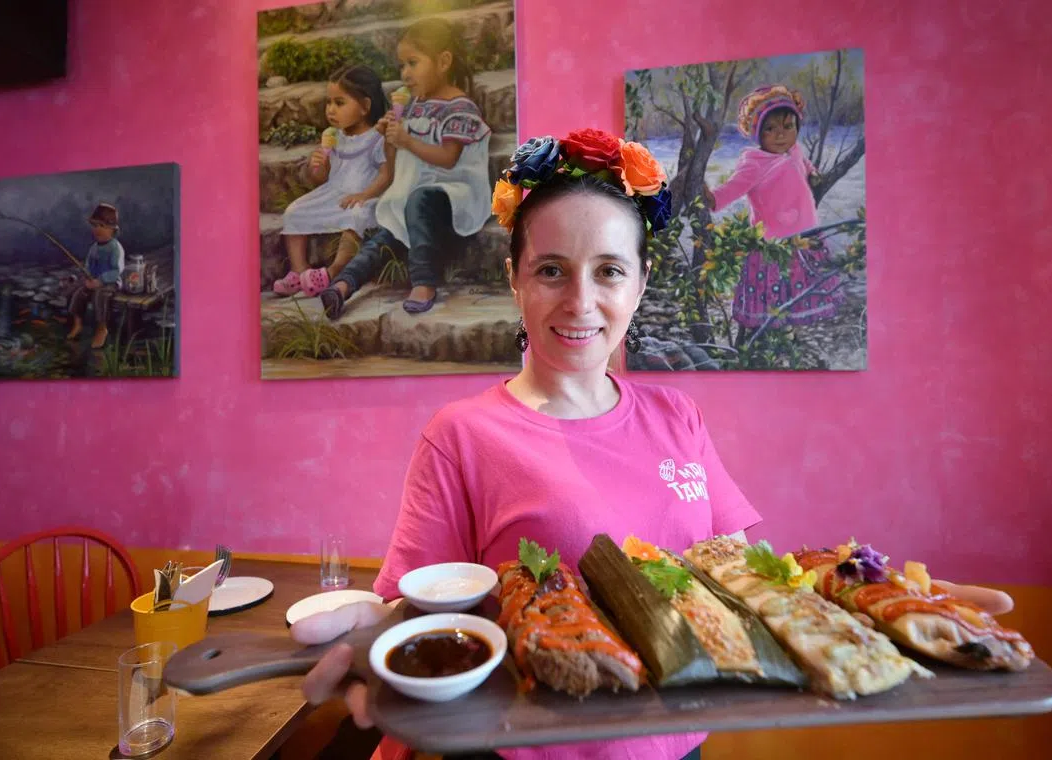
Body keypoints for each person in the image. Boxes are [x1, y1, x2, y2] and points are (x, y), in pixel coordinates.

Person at [291, 130, 1015, 760]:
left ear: (638, 284)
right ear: (514, 280)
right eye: (551, 270)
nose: (580, 302)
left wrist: (870, 598)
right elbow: (419, 606)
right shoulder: (461, 435)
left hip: (676, 746)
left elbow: (740, 580)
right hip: (521, 752)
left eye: (608, 270)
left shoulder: (678, 417)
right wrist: (378, 628)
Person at [319, 17, 492, 319]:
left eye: (413, 63)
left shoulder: (461, 108)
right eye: (402, 66)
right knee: (387, 235)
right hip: (417, 194)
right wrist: (390, 137)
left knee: (417, 201)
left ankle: (424, 282)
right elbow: (396, 158)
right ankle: (344, 285)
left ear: (444, 61)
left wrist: (407, 140)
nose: (406, 74)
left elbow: (449, 158)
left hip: (454, 196)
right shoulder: (414, 105)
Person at [702, 85, 843, 341]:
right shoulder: (754, 163)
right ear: (758, 134)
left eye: (788, 127)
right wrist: (713, 198)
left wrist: (813, 174)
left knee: (800, 286)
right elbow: (734, 187)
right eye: (770, 129)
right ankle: (772, 332)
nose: (781, 135)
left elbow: (805, 164)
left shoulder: (795, 150)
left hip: (806, 231)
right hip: (774, 241)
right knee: (775, 290)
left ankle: (791, 330)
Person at [273, 64, 392, 298]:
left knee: (357, 216)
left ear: (365, 107)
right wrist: (317, 165)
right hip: (334, 193)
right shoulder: (334, 137)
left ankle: (333, 271)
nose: (330, 110)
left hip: (366, 196)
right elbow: (321, 178)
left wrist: (365, 195)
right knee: (293, 212)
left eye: (339, 103)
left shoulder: (377, 137)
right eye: (328, 102)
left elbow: (387, 174)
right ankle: (300, 272)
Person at [67, 202, 124, 349]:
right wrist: (87, 275)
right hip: (93, 281)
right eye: (95, 225)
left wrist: (101, 281)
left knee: (100, 295)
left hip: (110, 283)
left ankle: (101, 329)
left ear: (113, 229)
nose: (97, 229)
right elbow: (88, 265)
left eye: (102, 226)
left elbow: (117, 270)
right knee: (79, 293)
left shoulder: (115, 247)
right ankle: (78, 324)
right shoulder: (93, 248)